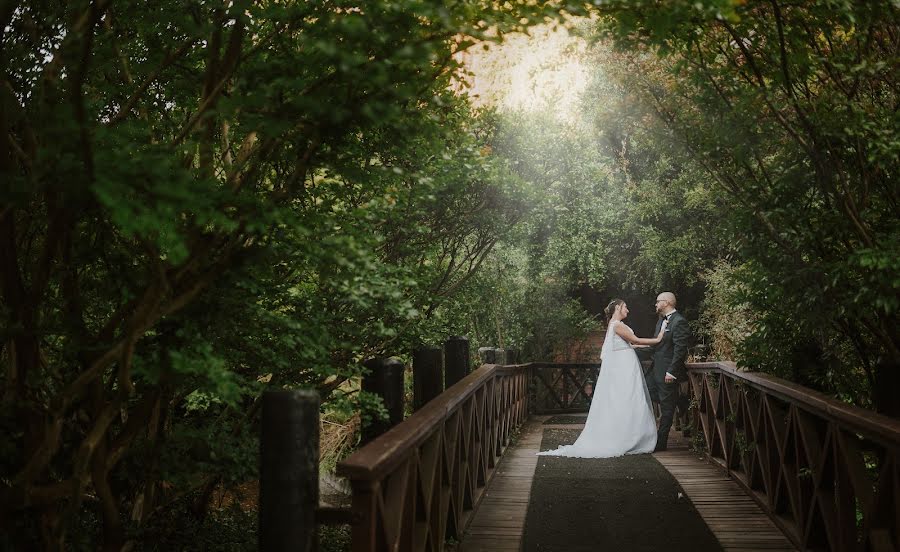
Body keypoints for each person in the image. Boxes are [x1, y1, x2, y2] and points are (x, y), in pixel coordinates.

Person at [537, 299, 666, 458]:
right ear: (618, 307)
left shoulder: (615, 324)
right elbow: (635, 340)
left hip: (626, 365)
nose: (628, 310)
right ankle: (627, 438)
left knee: (630, 398)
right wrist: (658, 339)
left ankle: (631, 436)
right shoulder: (617, 325)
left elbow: (631, 345)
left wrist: (650, 345)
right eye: (625, 306)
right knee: (628, 397)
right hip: (623, 368)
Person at [636, 292, 691, 452]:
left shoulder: (679, 322)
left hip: (667, 372)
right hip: (656, 369)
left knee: (667, 409)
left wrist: (672, 372)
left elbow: (680, 350)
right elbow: (656, 345)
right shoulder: (661, 320)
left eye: (658, 301)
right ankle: (679, 401)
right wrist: (631, 350)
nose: (655, 304)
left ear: (666, 302)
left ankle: (661, 443)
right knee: (645, 391)